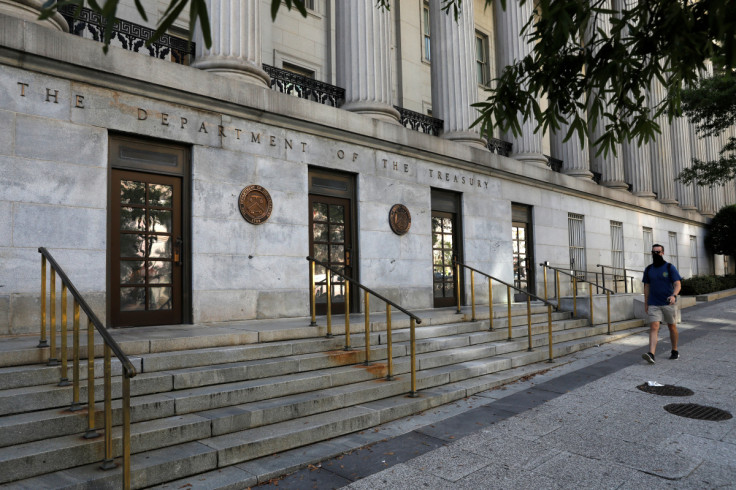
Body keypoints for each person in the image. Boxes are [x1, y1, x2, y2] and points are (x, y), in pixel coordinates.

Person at [641, 244, 682, 364]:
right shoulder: (649, 269)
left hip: (668, 303)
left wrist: (674, 295)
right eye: (654, 252)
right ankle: (651, 354)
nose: (656, 254)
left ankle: (674, 350)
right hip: (654, 303)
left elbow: (677, 284)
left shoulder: (669, 267)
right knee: (654, 327)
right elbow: (646, 287)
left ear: (662, 253)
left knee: (671, 326)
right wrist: (646, 303)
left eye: (658, 252)